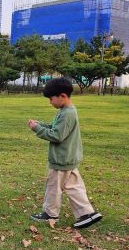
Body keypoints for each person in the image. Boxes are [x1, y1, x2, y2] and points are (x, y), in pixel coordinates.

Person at [27, 77, 102, 229]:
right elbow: (55, 128)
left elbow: (57, 135)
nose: (50, 102)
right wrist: (41, 124)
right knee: (74, 187)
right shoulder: (66, 111)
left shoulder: (67, 113)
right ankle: (87, 213)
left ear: (62, 96)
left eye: (51, 99)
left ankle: (50, 213)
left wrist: (37, 129)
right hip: (69, 159)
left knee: (53, 188)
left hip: (61, 160)